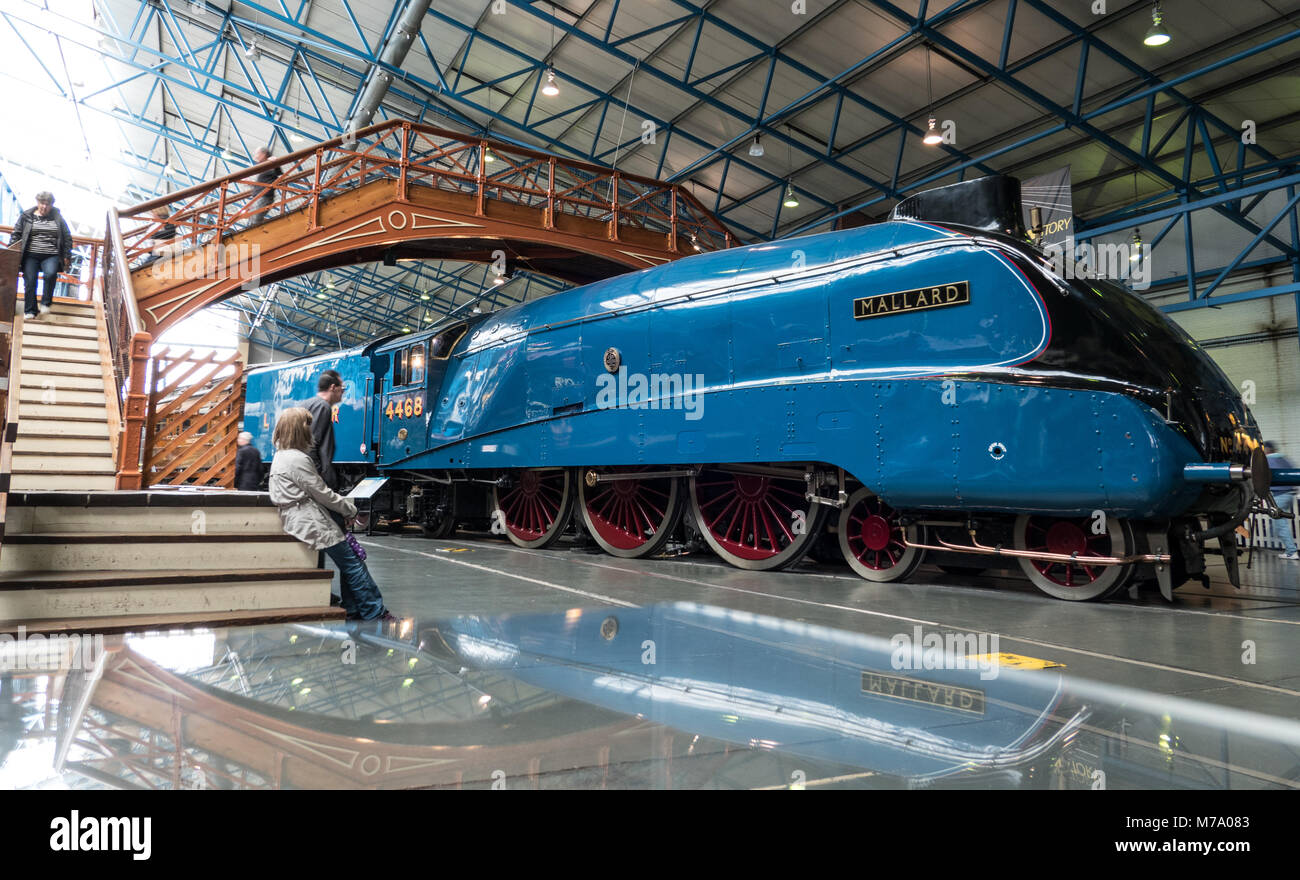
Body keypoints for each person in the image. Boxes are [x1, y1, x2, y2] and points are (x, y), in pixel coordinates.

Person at [269, 407, 393, 621]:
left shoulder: (281, 456)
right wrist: (350, 509)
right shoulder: (297, 459)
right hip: (309, 521)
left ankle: (354, 609)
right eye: (307, 425)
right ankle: (374, 612)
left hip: (300, 517)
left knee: (350, 561)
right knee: (353, 563)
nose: (311, 430)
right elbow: (322, 493)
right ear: (299, 430)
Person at [8, 191, 72, 320]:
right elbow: (17, 234)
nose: (44, 207)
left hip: (51, 254)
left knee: (50, 274)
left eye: (48, 204)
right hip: (30, 255)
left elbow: (67, 237)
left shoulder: (58, 218)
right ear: (37, 203)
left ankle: (45, 303)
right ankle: (30, 310)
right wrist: (11, 251)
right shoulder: (26, 216)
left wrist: (66, 254)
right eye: (42, 203)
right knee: (30, 281)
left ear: (52, 205)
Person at [304, 369, 343, 492]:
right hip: (315, 476)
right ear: (333, 387)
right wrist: (319, 476)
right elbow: (311, 444)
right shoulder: (322, 406)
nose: (343, 391)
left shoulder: (307, 403)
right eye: (342, 387)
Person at [1264, 441, 1297, 561]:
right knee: (1278, 522)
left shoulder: (1267, 460)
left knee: (1280, 523)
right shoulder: (1284, 459)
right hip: (1290, 493)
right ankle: (1273, 540)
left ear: (1267, 449)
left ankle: (1291, 551)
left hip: (1279, 495)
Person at [250, 147, 282, 224]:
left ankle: (255, 234)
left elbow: (278, 172)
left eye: (257, 153)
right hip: (258, 196)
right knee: (253, 218)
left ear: (264, 154)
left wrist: (275, 162)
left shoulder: (269, 164)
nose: (256, 156)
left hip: (264, 196)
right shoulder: (262, 166)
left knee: (255, 219)